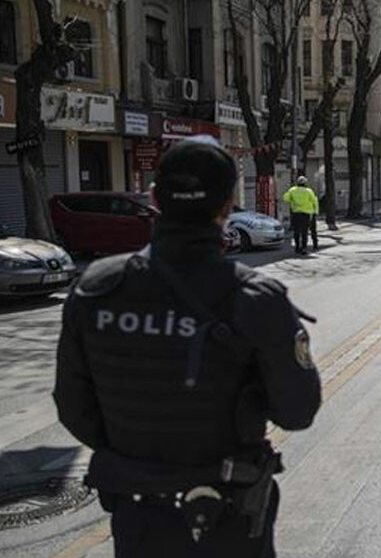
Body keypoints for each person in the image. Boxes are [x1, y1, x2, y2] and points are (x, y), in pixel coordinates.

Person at [54, 136, 321, 558]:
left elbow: (73, 407)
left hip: (138, 515)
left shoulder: (97, 289)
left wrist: (138, 451)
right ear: (229, 204)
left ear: (154, 197)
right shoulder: (256, 299)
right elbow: (298, 410)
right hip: (230, 517)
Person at [282, 176, 319, 254]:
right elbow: (314, 201)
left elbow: (285, 198)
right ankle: (304, 248)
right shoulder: (309, 191)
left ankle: (297, 247)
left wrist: (292, 198)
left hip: (296, 213)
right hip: (306, 213)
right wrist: (315, 212)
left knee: (296, 231)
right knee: (304, 231)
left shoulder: (292, 190)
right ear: (305, 183)